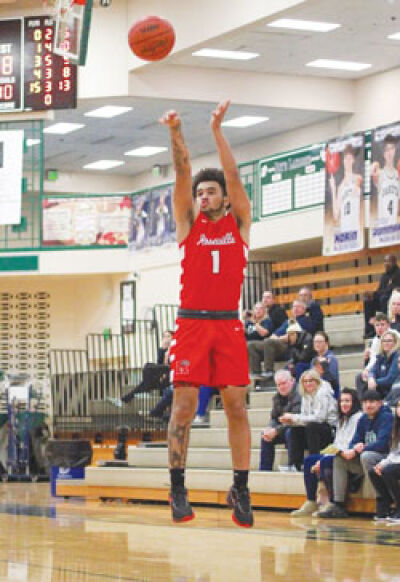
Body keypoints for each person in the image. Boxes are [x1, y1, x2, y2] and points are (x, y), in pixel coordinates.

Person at [159, 100, 253, 526]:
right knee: (183, 406)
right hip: (192, 322)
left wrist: (217, 130)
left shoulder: (240, 225)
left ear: (224, 198)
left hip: (228, 323)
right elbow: (182, 172)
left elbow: (232, 175)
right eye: (199, 193)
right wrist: (176, 131)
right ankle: (178, 487)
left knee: (236, 404)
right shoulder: (189, 225)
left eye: (209, 191)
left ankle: (242, 487)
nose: (202, 195)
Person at [317, 389, 393, 518]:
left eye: (372, 402)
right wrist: (351, 450)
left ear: (380, 403)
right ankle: (339, 504)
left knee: (366, 456)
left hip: (384, 458)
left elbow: (383, 444)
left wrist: (362, 448)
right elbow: (354, 441)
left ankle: (382, 499)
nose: (368, 405)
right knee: (339, 459)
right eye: (366, 402)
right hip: (364, 459)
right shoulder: (363, 419)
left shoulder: (386, 417)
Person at [291, 389, 362, 516]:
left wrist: (324, 459)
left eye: (347, 401)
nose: (344, 404)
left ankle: (333, 502)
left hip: (349, 456)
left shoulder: (358, 418)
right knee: (309, 460)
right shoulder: (342, 419)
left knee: (326, 461)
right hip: (337, 453)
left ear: (354, 402)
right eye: (342, 401)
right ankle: (311, 501)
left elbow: (350, 445)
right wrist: (324, 457)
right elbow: (337, 443)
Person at [279, 369, 337, 471]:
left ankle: (313, 461)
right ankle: (295, 465)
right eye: (305, 381)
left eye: (311, 381)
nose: (308, 383)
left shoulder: (322, 393)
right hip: (316, 427)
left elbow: (319, 418)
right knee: (295, 429)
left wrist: (294, 417)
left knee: (311, 426)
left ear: (317, 381)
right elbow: (305, 416)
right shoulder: (305, 395)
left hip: (330, 429)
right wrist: (292, 421)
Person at [259, 370, 301, 471]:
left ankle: (293, 465)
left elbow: (294, 420)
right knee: (265, 436)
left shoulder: (299, 394)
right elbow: (274, 418)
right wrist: (270, 428)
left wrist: (276, 430)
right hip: (284, 428)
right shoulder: (277, 397)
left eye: (284, 383)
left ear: (292, 381)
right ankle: (264, 470)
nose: (281, 387)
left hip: (300, 429)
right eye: (278, 385)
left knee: (290, 432)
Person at [248, 317, 314, 380]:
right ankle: (255, 372)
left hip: (286, 347)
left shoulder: (305, 336)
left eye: (292, 334)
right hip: (275, 342)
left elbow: (302, 357)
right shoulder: (285, 323)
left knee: (268, 342)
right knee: (251, 344)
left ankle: (269, 371)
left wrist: (287, 341)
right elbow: (273, 336)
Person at [368, 398, 400, 521]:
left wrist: (386, 465)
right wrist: (382, 463)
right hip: (397, 460)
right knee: (374, 471)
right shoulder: (396, 427)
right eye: (398, 406)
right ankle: (387, 506)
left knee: (388, 471)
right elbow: (394, 452)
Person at [329, 143, 363, 246]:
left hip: (355, 230)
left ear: (353, 160)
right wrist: (333, 189)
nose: (347, 161)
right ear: (343, 161)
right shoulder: (340, 187)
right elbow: (336, 214)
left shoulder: (357, 178)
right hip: (344, 231)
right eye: (345, 159)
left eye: (349, 158)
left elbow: (357, 187)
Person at [363, 254, 400, 338]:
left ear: (394, 262)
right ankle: (370, 330)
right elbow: (380, 290)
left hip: (393, 300)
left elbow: (392, 289)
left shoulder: (398, 274)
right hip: (382, 298)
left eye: (389, 261)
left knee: (384, 298)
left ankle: (384, 327)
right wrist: (372, 294)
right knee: (368, 301)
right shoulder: (384, 276)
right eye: (385, 261)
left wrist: (378, 294)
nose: (386, 263)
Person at [357, 329, 400, 400]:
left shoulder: (397, 356)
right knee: (360, 376)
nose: (386, 343)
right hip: (379, 386)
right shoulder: (381, 356)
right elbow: (373, 370)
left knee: (369, 384)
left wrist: (375, 381)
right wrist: (371, 378)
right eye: (384, 341)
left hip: (391, 388)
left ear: (395, 343)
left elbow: (390, 378)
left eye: (389, 341)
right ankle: (363, 403)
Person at [355, 312, 391, 397]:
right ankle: (364, 402)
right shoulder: (375, 340)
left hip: (390, 367)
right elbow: (373, 359)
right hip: (379, 367)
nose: (380, 328)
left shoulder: (395, 336)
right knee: (360, 377)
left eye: (382, 325)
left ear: (388, 325)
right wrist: (367, 370)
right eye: (377, 325)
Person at [372, 134, 400, 228]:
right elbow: (372, 172)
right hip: (382, 229)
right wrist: (375, 165)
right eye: (387, 149)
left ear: (395, 150)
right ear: (384, 153)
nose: (389, 152)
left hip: (394, 229)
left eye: (391, 148)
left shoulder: (398, 175)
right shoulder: (380, 173)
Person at [311, 331, 340, 399]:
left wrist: (324, 365)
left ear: (326, 343)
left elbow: (332, 380)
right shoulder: (314, 360)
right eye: (315, 342)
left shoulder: (332, 359)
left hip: (329, 395)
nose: (317, 344)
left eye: (319, 342)